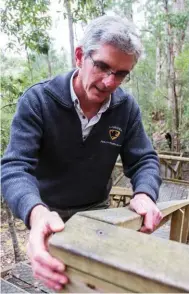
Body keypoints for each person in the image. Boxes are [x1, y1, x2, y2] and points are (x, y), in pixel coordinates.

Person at [1, 15, 163, 291]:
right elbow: (15, 167)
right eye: (102, 66)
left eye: (121, 73)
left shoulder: (126, 108)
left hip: (97, 214)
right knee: (56, 282)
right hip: (49, 215)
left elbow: (144, 159)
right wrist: (36, 212)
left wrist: (145, 193)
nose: (110, 82)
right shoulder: (39, 101)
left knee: (97, 285)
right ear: (80, 56)